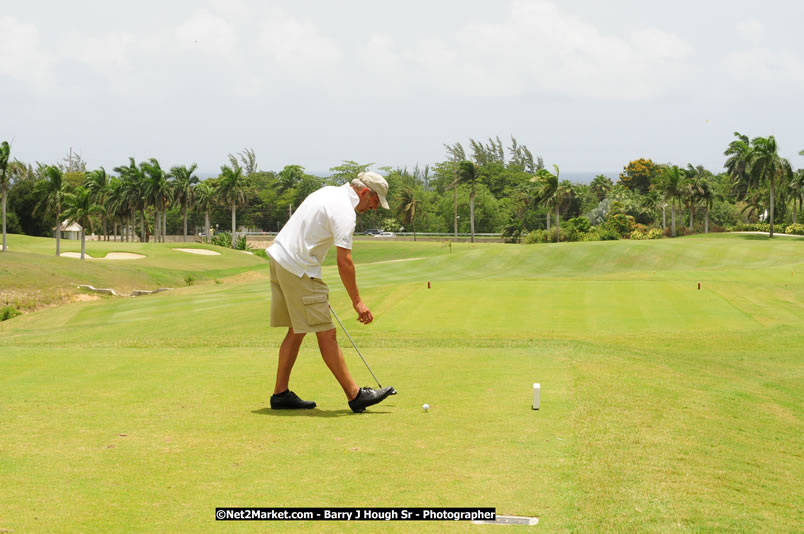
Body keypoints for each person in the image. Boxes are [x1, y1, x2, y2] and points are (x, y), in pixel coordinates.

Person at [266, 171, 395, 413]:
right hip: (298, 267)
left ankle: (280, 394)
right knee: (327, 333)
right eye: (375, 202)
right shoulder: (345, 212)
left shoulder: (328, 192)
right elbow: (344, 261)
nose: (374, 208)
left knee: (297, 329)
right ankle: (355, 395)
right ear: (365, 193)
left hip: (280, 258)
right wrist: (358, 302)